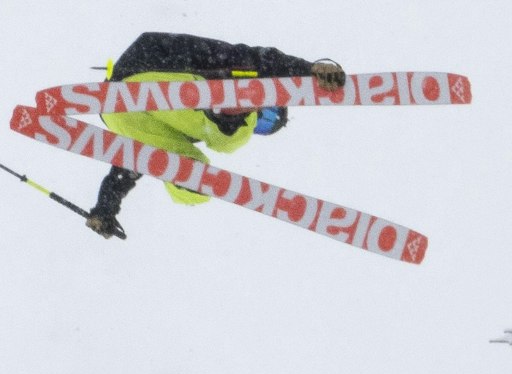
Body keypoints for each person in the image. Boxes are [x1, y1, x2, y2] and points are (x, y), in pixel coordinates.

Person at [85, 32, 347, 240]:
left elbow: (129, 165)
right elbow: (255, 57)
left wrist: (104, 210)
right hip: (149, 71)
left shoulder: (182, 120)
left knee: (160, 155)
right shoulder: (230, 65)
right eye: (264, 116)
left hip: (117, 112)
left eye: (263, 127)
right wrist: (306, 69)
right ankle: (231, 112)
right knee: (229, 140)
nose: (257, 123)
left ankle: (185, 177)